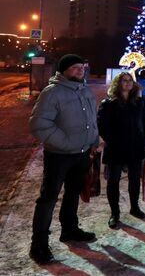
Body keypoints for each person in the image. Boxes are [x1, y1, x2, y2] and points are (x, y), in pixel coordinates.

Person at [28, 54, 99, 264]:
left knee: (73, 193)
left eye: (82, 67)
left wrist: (93, 140)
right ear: (64, 70)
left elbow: (91, 119)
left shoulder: (85, 90)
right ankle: (38, 244)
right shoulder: (52, 93)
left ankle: (69, 229)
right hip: (59, 156)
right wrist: (65, 143)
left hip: (82, 153)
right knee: (48, 199)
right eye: (76, 68)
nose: (81, 70)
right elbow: (38, 125)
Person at [97, 72, 145, 229]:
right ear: (118, 83)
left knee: (135, 179)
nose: (128, 83)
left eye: (130, 80)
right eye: (124, 80)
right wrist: (113, 140)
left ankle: (134, 207)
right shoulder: (108, 103)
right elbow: (102, 127)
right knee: (113, 181)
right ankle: (114, 213)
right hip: (115, 149)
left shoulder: (139, 102)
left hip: (135, 147)